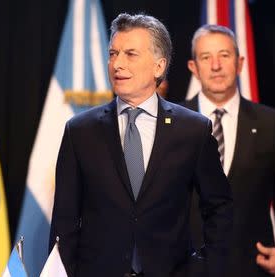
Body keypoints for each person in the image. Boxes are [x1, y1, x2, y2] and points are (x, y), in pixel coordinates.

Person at [49, 14, 233, 277]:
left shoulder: (193, 130)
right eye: (113, 53)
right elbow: (64, 222)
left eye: (130, 54)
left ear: (159, 66)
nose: (117, 64)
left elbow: (220, 208)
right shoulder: (80, 131)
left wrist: (205, 268)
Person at [183, 24, 275, 277]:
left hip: (250, 270)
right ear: (193, 67)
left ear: (239, 63)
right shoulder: (172, 123)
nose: (216, 65)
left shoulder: (270, 124)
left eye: (224, 56)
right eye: (206, 57)